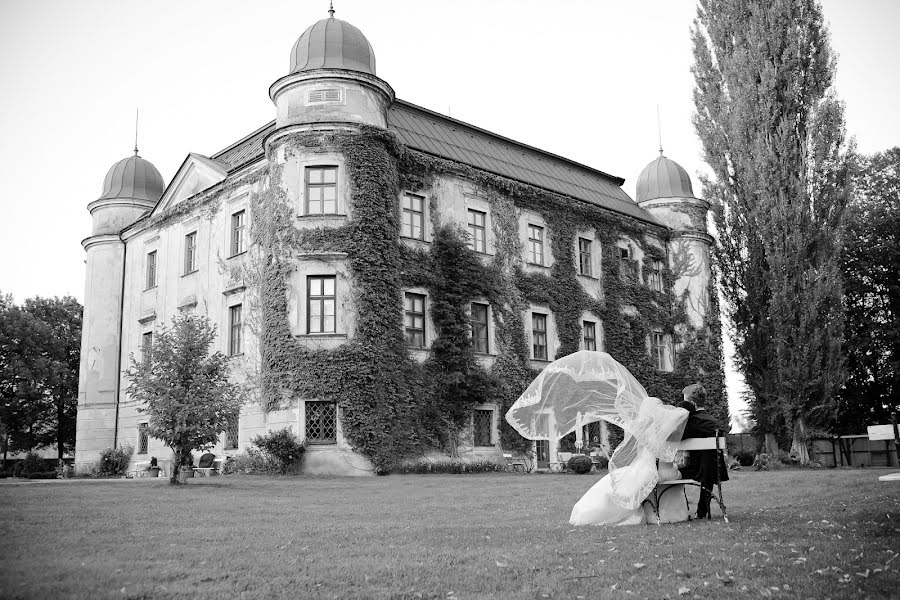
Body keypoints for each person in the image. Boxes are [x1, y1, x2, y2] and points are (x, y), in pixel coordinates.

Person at [678, 383, 729, 519]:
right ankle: (702, 510)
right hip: (714, 470)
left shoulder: (690, 422)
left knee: (672, 472)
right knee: (707, 464)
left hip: (695, 470)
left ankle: (678, 509)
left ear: (692, 404)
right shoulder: (713, 422)